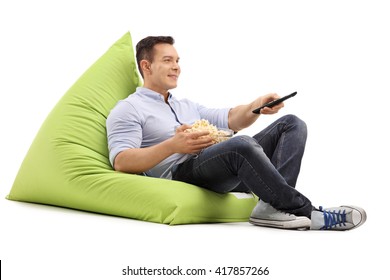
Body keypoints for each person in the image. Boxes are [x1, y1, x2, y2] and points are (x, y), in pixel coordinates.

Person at [106, 36, 366, 230]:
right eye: (167, 61)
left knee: (292, 123)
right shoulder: (128, 109)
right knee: (240, 144)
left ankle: (268, 207)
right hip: (181, 173)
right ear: (146, 66)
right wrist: (174, 145)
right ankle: (310, 213)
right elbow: (122, 161)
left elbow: (230, 118)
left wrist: (257, 106)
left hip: (218, 165)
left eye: (177, 61)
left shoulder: (184, 105)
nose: (176, 67)